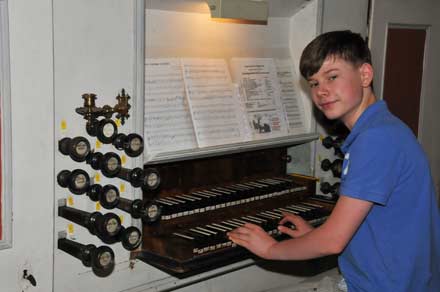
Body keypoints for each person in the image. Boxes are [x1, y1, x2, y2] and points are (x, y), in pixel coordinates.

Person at [228, 30, 440, 291]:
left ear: (364, 75)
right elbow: (369, 221)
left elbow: (332, 242)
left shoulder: (377, 140)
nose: (321, 91)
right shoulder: (381, 129)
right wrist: (315, 234)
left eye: (332, 77)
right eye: (314, 83)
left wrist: (271, 248)